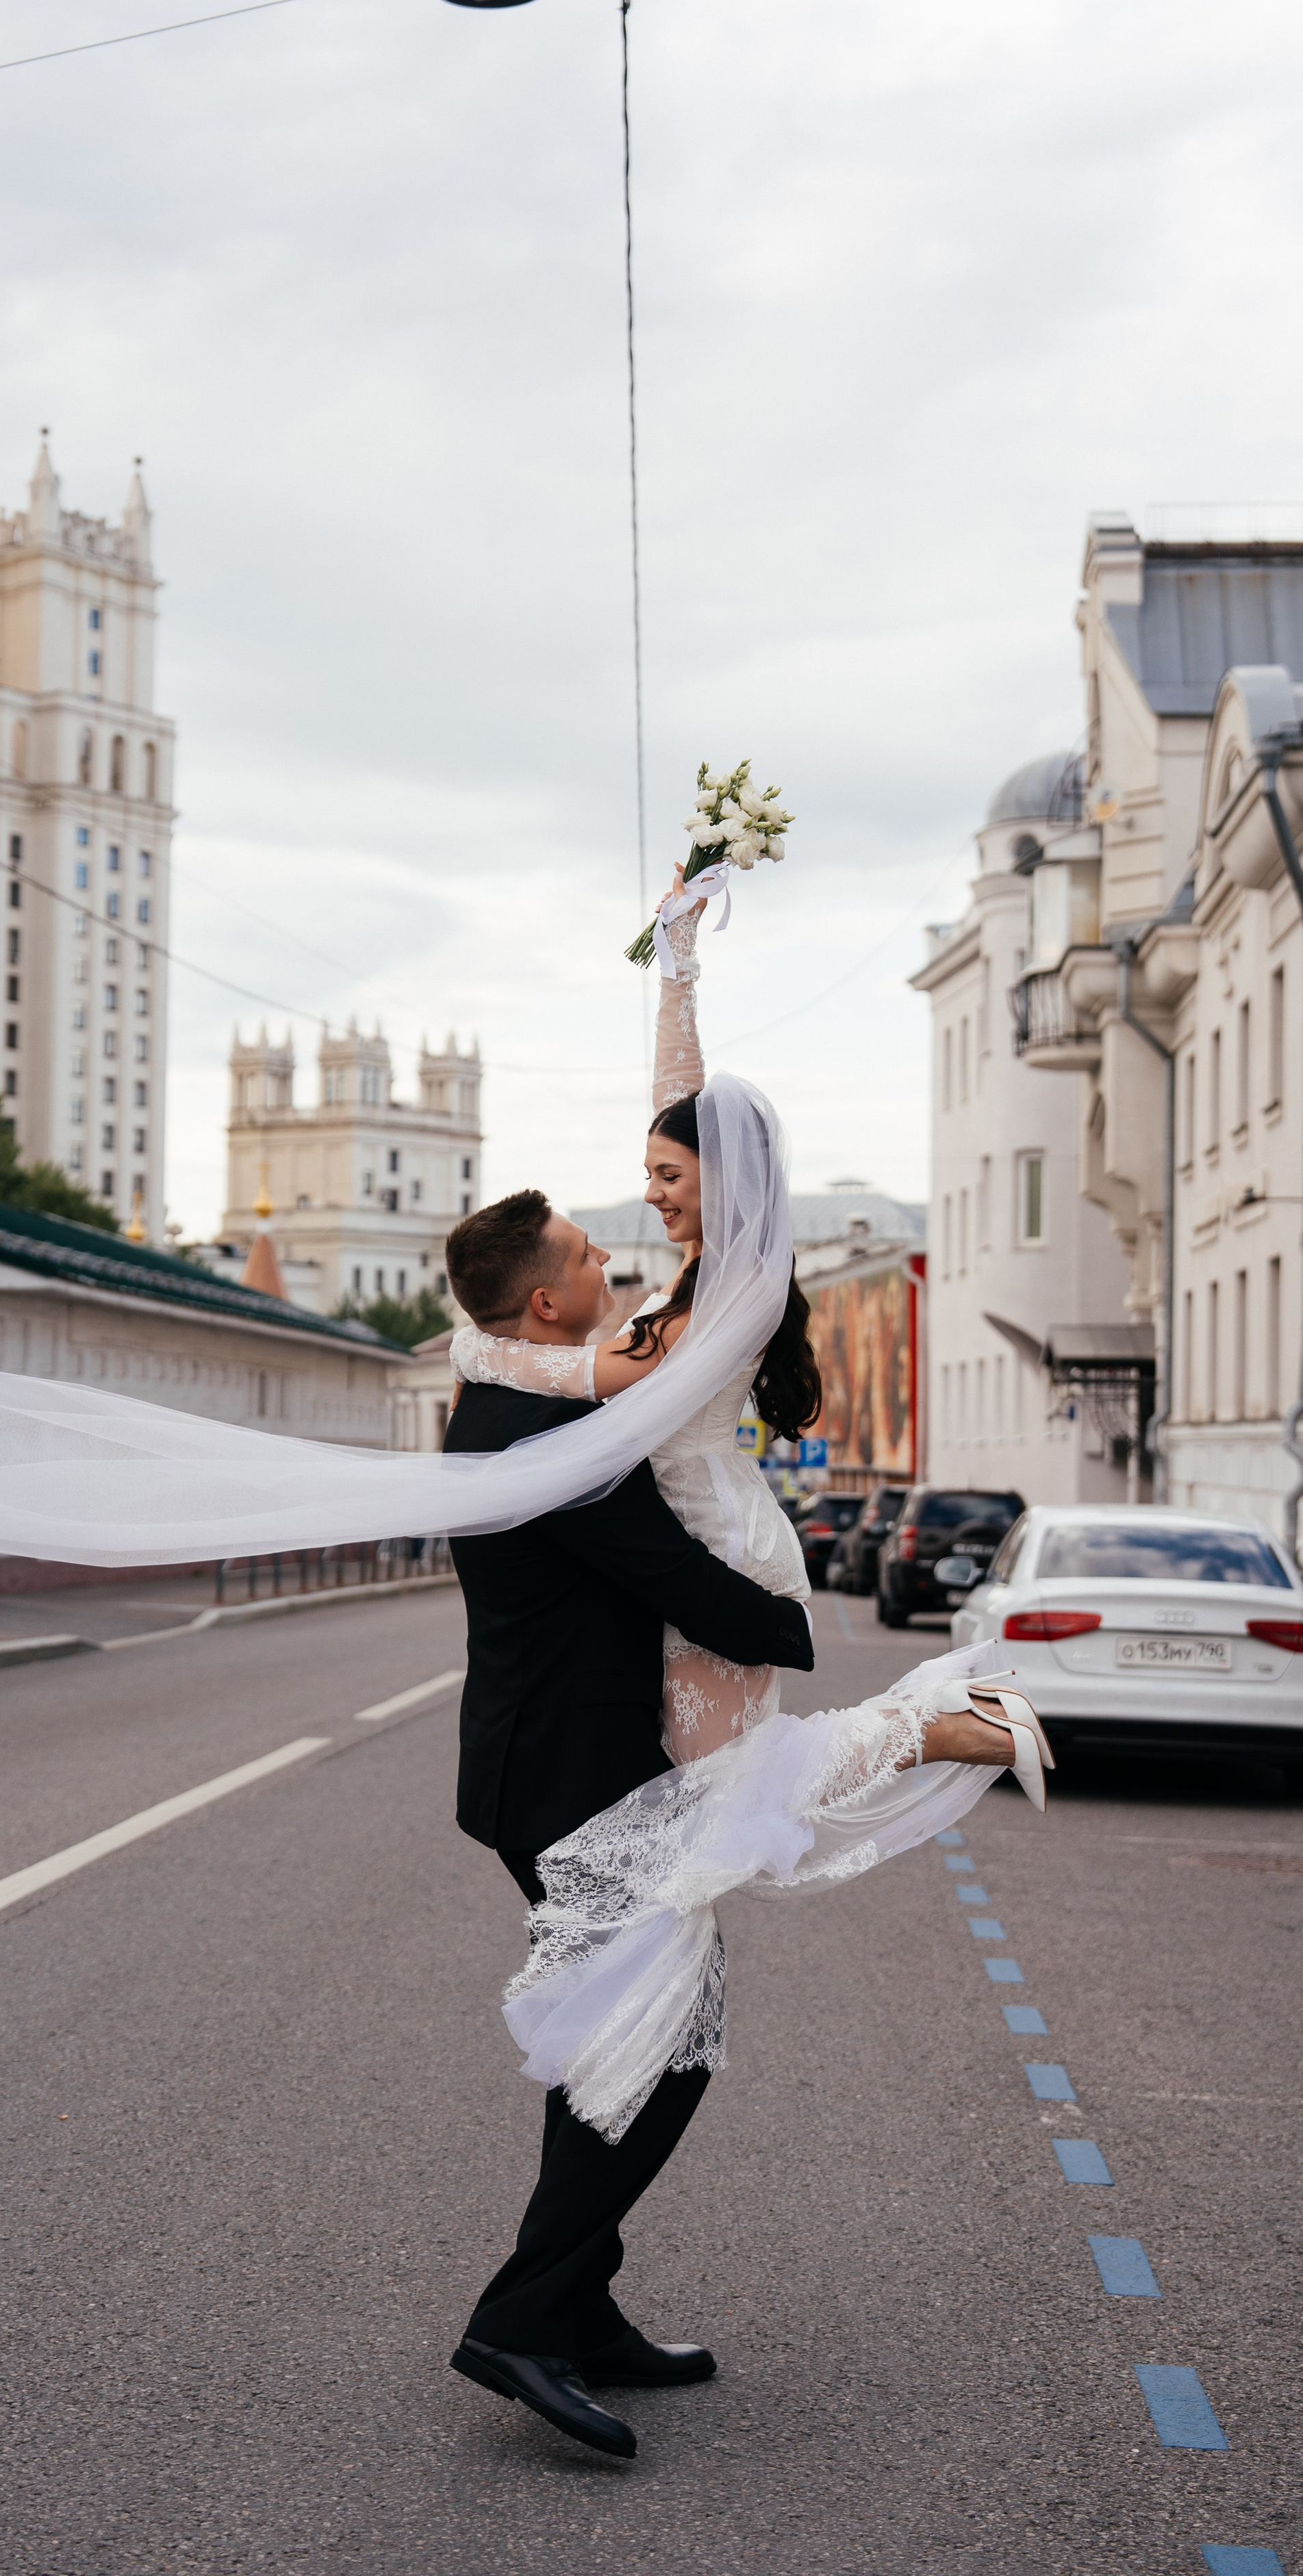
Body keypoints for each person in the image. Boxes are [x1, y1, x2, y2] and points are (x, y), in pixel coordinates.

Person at [442, 875, 1051, 2193]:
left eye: (668, 1179)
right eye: (646, 1179)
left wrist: (478, 1348)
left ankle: (936, 1725)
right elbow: (685, 1103)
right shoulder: (708, 1267)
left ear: (723, 1179)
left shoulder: (728, 1287)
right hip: (702, 1518)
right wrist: (677, 967)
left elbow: (594, 1376)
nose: (651, 1197)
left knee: (721, 1798)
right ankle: (608, 2128)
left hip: (714, 1540)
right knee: (691, 1819)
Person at [439, 1188, 816, 2462]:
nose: (610, 1255)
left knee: (634, 2038)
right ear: (547, 1302)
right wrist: (788, 1625)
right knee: (664, 2051)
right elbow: (671, 1574)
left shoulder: (509, 1385)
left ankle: (581, 2312)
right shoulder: (549, 1433)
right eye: (586, 1252)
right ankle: (521, 2322)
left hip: (557, 1770)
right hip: (570, 1781)